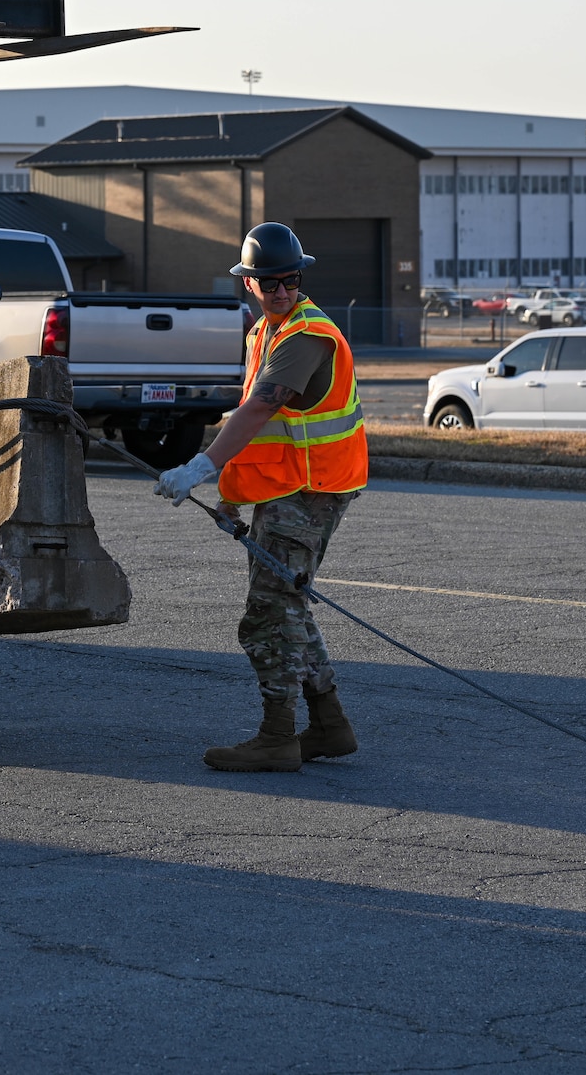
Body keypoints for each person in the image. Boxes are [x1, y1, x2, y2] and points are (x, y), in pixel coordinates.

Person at [155, 223, 369, 772]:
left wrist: (203, 466)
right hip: (288, 486)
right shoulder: (263, 333)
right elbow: (256, 427)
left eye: (289, 281)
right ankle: (329, 725)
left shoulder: (305, 335)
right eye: (268, 282)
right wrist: (230, 495)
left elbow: (259, 409)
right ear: (248, 284)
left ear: (300, 278)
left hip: (314, 488)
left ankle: (278, 737)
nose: (280, 291)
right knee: (287, 603)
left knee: (268, 613)